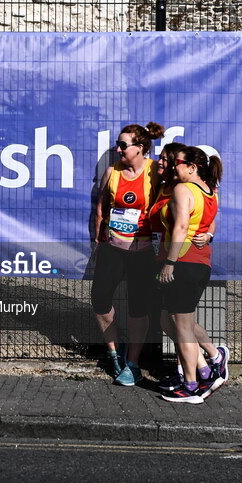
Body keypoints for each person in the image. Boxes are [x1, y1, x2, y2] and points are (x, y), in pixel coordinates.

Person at [92, 122, 165, 386]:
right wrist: (97, 242)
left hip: (142, 252)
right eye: (117, 144)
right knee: (99, 301)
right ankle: (114, 352)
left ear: (141, 148)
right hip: (112, 248)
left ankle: (132, 363)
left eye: (123, 145)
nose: (118, 148)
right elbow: (101, 208)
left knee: (138, 308)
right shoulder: (112, 172)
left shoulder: (154, 172)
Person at [149, 143, 226, 395]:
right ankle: (205, 371)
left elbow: (182, 227)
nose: (173, 166)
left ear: (192, 167)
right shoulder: (209, 190)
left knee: (182, 327)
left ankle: (191, 386)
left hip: (183, 261)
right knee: (178, 322)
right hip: (199, 263)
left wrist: (169, 263)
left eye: (177, 163)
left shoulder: (184, 189)